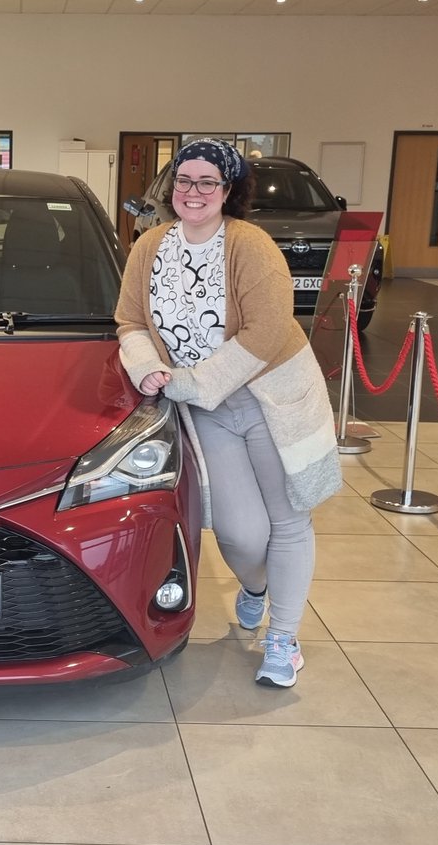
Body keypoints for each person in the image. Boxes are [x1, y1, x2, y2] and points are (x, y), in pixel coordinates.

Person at [114, 138, 341, 688]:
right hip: (206, 410)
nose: (193, 192)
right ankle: (258, 588)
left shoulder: (250, 244)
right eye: (184, 181)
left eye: (207, 182)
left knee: (287, 521)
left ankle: (283, 638)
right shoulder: (149, 246)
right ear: (171, 189)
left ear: (228, 190)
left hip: (271, 399)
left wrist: (194, 382)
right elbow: (129, 321)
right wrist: (145, 365)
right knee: (239, 531)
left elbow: (267, 329)